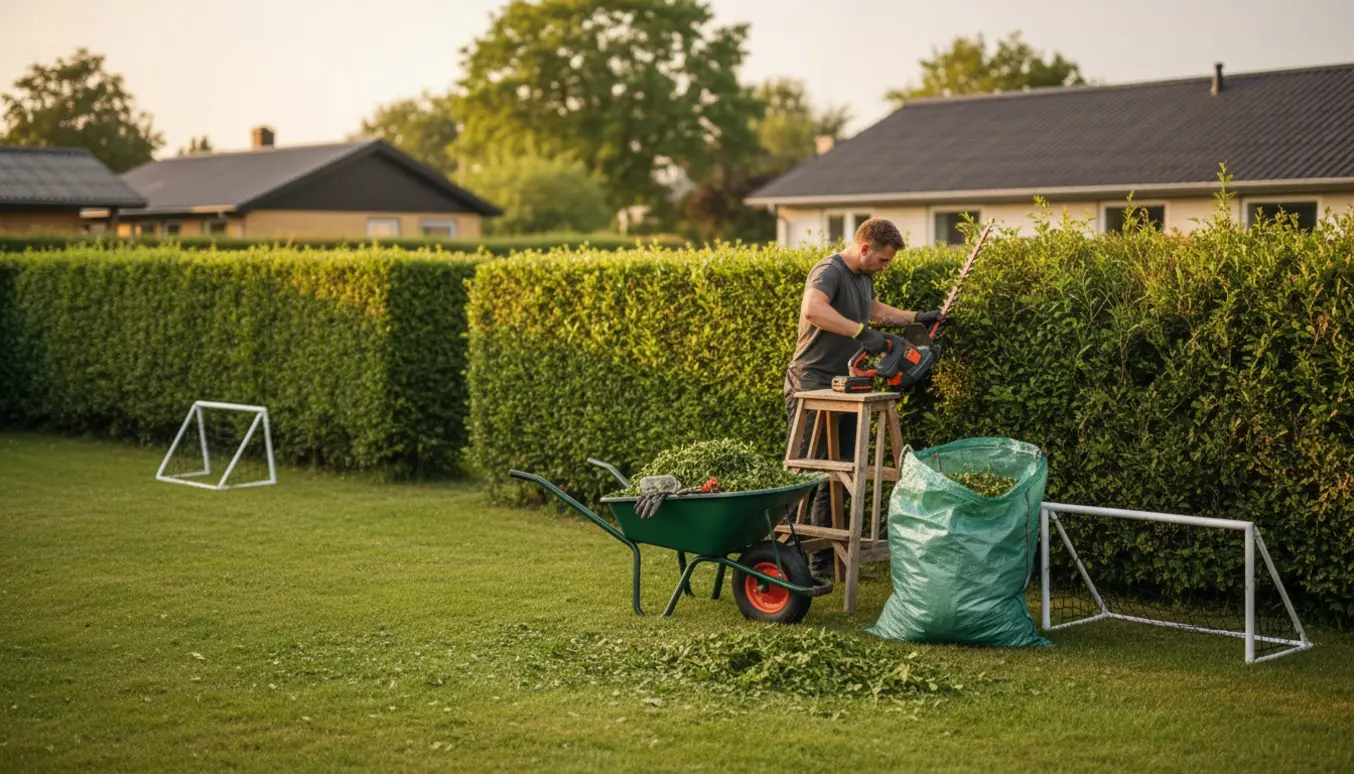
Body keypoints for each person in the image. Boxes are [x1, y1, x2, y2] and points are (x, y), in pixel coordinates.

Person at [783, 218, 941, 580]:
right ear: (865, 248)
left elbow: (876, 313)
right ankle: (781, 562)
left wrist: (918, 318)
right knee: (804, 473)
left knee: (839, 475)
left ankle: (824, 562)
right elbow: (813, 310)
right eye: (883, 260)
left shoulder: (863, 277)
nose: (886, 267)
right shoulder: (830, 270)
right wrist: (861, 333)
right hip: (811, 381)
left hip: (846, 384)